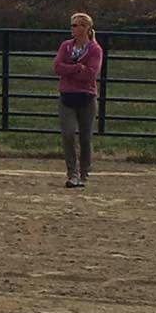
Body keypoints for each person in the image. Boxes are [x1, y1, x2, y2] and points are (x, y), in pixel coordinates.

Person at [54, 12, 102, 188]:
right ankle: (71, 173)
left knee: (85, 137)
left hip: (86, 98)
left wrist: (71, 71)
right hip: (67, 97)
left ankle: (84, 172)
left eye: (76, 25)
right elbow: (58, 67)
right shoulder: (65, 46)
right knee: (68, 134)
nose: (73, 28)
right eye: (72, 25)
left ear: (86, 28)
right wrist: (77, 68)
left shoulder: (95, 49)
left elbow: (91, 74)